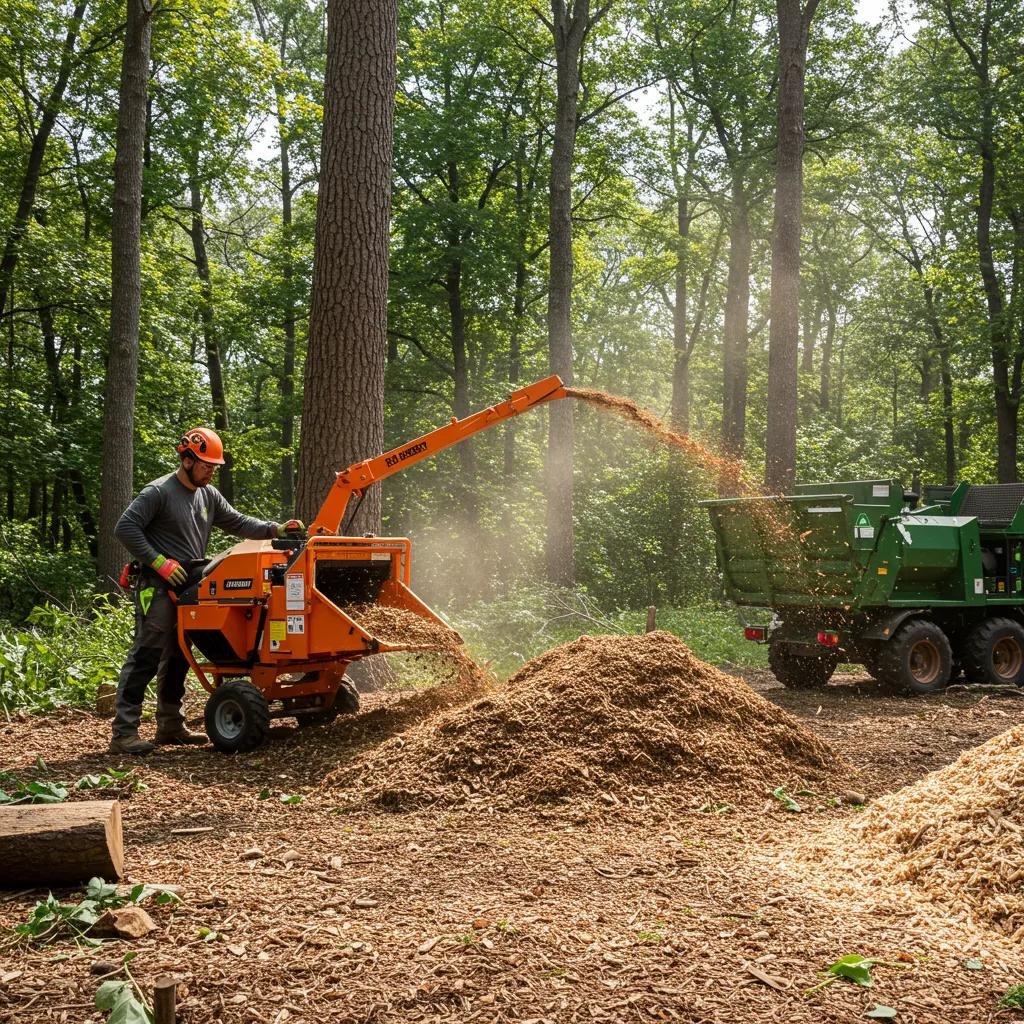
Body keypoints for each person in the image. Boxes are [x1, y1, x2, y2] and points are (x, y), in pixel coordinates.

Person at [110, 427, 304, 755]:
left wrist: (276, 528)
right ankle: (123, 734)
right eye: (205, 465)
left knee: (180, 655)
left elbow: (238, 522)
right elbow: (125, 528)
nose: (210, 471)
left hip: (189, 583)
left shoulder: (208, 495)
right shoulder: (158, 492)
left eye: (214, 466)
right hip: (157, 585)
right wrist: (160, 562)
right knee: (147, 654)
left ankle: (170, 724)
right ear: (186, 460)